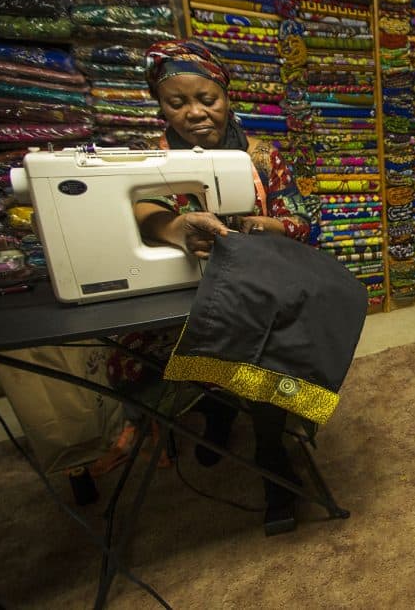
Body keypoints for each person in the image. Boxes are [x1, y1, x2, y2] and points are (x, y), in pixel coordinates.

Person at [130, 38, 313, 531]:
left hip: (255, 286)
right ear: (161, 106)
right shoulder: (146, 163)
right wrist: (176, 231)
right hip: (185, 294)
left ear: (227, 97)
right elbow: (140, 212)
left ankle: (272, 451)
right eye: (177, 102)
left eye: (206, 100)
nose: (194, 113)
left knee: (275, 347)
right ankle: (217, 409)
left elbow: (302, 221)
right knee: (168, 344)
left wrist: (261, 225)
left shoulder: (261, 158)